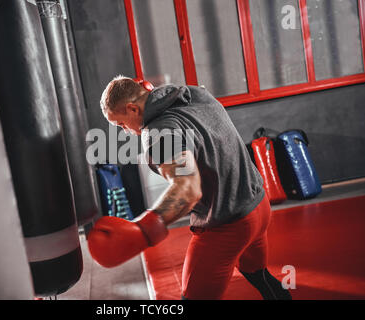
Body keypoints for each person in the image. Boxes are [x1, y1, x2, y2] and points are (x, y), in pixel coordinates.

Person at [87, 75, 292, 300]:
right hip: (258, 205)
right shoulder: (193, 94)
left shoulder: (159, 132)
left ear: (133, 109)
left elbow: (188, 188)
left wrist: (144, 229)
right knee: (259, 276)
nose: (126, 131)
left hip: (228, 224)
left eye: (121, 124)